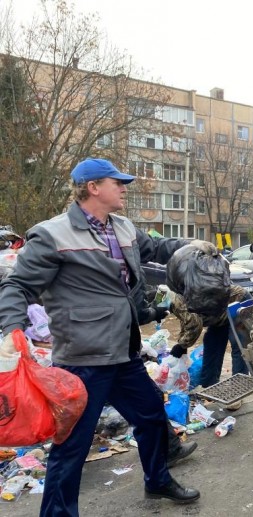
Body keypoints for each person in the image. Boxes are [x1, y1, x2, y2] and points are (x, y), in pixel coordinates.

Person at [0, 158, 201, 515]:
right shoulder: (52, 234)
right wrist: (12, 329)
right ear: (93, 187)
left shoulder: (122, 227)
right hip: (83, 359)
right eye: (117, 182)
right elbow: (17, 284)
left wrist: (194, 245)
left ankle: (157, 481)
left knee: (153, 417)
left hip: (124, 353)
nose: (124, 188)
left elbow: (157, 249)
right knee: (72, 446)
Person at [168, 281, 251, 402]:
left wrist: (182, 345)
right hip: (219, 312)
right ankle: (209, 386)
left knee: (239, 344)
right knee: (212, 342)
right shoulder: (174, 299)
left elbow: (194, 324)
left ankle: (237, 393)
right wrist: (183, 341)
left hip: (238, 302)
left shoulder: (174, 301)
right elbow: (185, 319)